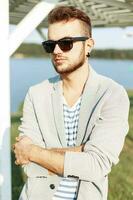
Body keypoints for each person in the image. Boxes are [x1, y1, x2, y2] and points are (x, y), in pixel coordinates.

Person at [13, 6, 129, 200]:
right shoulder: (36, 93)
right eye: (51, 45)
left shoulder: (112, 94)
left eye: (66, 43)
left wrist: (34, 151)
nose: (57, 51)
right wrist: (82, 151)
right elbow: (27, 163)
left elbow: (96, 165)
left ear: (89, 45)